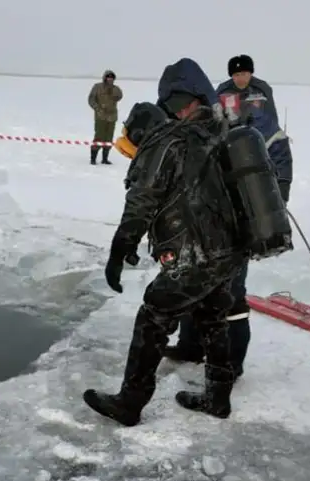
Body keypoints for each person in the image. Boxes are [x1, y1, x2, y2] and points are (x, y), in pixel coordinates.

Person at [83, 58, 251, 427]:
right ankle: (218, 398)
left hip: (195, 254)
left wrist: (119, 249)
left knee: (153, 316)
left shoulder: (170, 139)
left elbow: (143, 198)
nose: (172, 110)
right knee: (213, 318)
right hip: (230, 252)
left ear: (183, 100)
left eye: (173, 102)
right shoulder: (223, 133)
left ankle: (130, 402)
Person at [164, 80, 293, 379]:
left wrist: (276, 197)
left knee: (232, 296)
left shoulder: (244, 124)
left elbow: (279, 152)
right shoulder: (194, 125)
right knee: (192, 284)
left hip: (237, 225)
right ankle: (190, 345)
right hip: (202, 225)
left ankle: (231, 367)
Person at [216, 54, 279, 123]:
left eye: (243, 74)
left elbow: (272, 117)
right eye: (236, 75)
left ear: (250, 73)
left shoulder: (262, 88)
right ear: (232, 76)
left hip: (258, 131)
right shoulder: (223, 90)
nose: (240, 78)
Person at [87, 70, 123, 165]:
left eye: (112, 78)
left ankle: (105, 158)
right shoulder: (97, 87)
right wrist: (97, 109)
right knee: (99, 136)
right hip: (101, 117)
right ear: (105, 78)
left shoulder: (116, 89)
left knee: (109, 138)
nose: (110, 79)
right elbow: (91, 99)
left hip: (112, 117)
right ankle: (93, 158)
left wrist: (113, 92)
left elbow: (120, 96)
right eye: (108, 77)